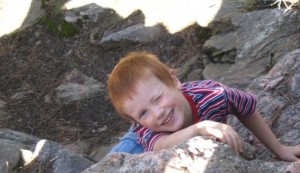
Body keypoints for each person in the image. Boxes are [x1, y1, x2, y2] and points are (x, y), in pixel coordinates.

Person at [107, 51, 300, 162]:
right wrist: (200, 128)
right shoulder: (146, 128)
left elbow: (246, 108)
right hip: (137, 146)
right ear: (136, 121)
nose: (157, 113)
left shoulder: (213, 94)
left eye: (157, 98)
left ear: (174, 80)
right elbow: (161, 146)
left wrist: (278, 149)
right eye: (143, 113)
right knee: (106, 172)